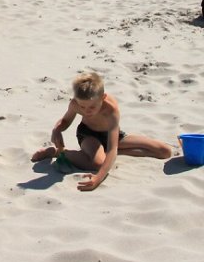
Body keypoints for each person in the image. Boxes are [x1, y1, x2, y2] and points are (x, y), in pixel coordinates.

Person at [30, 71, 172, 192]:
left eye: (92, 107)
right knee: (98, 163)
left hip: (110, 135)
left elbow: (112, 148)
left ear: (102, 98)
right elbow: (65, 121)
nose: (87, 111)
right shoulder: (75, 104)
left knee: (164, 151)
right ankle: (58, 152)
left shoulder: (111, 110)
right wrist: (57, 130)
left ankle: (102, 154)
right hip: (88, 135)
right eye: (82, 107)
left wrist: (98, 178)